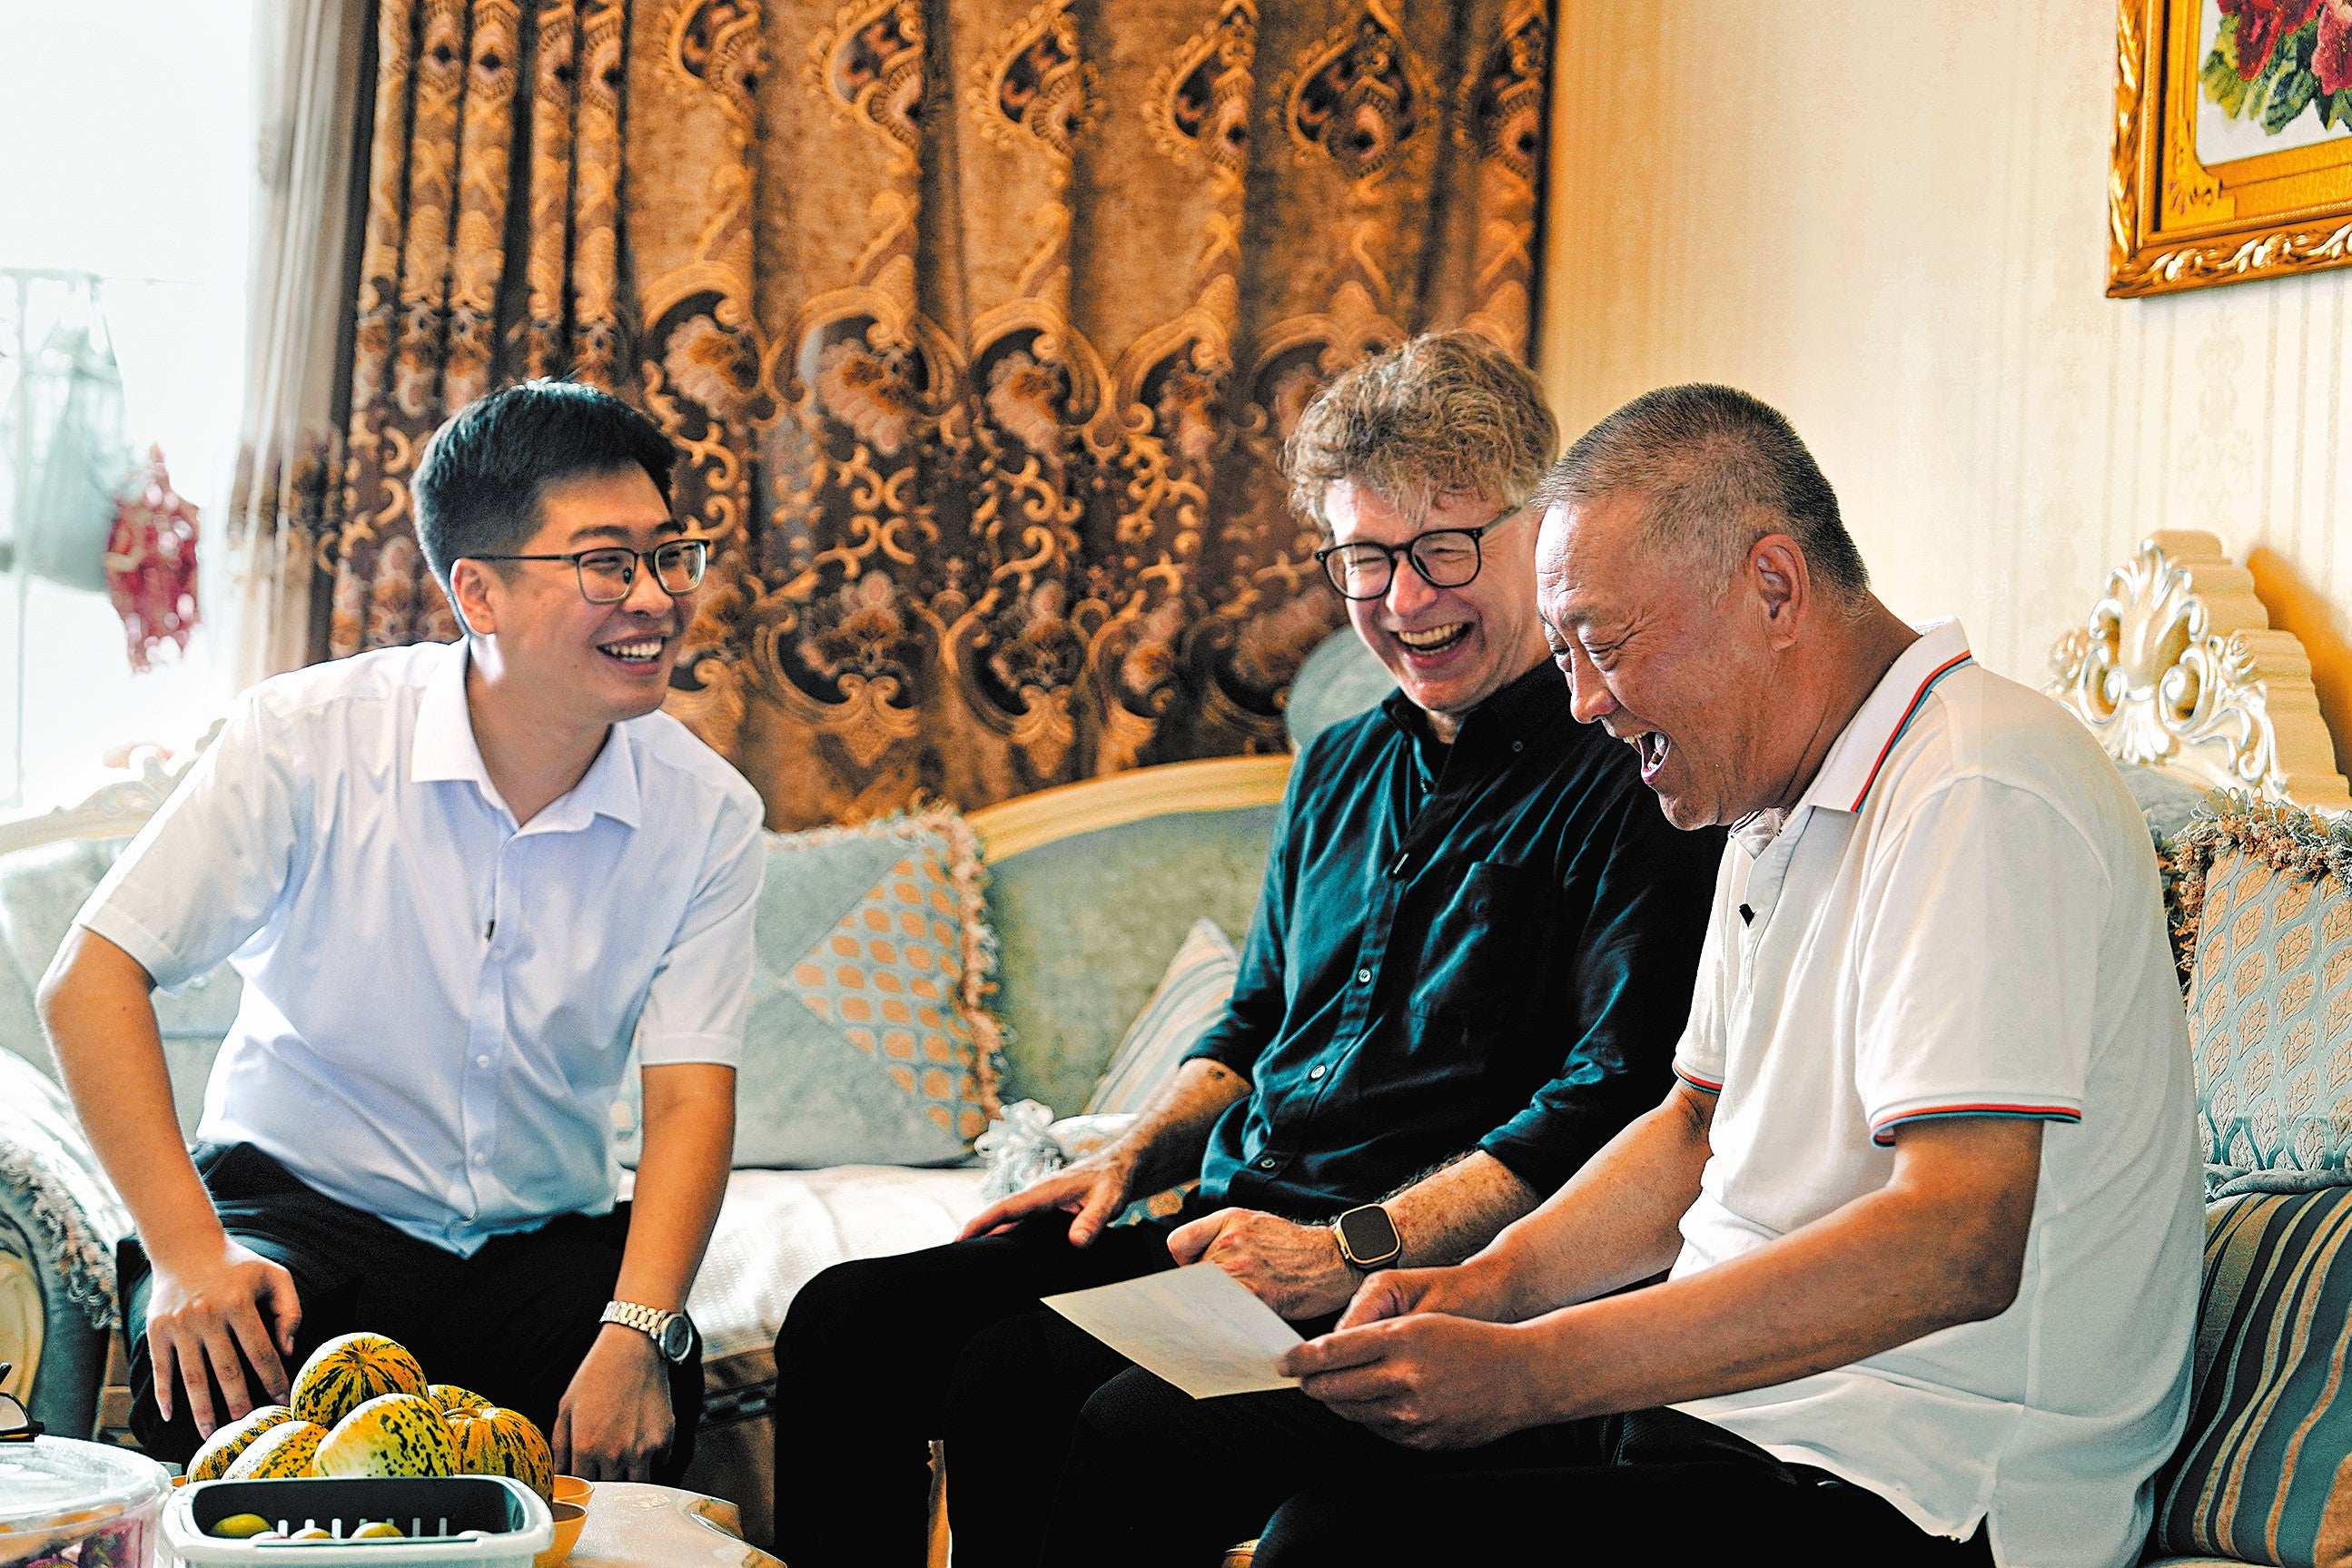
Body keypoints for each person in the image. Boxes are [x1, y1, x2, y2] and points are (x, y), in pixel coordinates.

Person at [1036, 384, 2204, 1568]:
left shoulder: (1975, 785)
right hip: (1730, 1413)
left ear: (1772, 587)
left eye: (1604, 643)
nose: (1584, 701)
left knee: (1330, 1544)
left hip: (1920, 1475)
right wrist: (1482, 1286)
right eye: (1567, 652)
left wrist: (1533, 1367)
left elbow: (1955, 1238)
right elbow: (1692, 1124)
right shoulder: (1772, 793)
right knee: (1148, 1433)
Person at [771, 332, 1727, 1568]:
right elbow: (1257, 1015)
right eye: (1365, 558)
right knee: (846, 1320)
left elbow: (1606, 1103)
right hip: (1232, 1220)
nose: (1405, 599)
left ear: (1539, 528)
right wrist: (1130, 1151)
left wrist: (1345, 1247)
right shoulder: (1337, 763)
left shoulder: (1628, 774)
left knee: (1042, 1392)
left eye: (1445, 548)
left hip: (1406, 1258)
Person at [38, 381, 766, 1482]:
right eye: (607, 563)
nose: (656, 598)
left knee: (636, 1399)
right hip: (299, 1207)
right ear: (477, 590)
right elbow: (90, 979)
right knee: (221, 1376)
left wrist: (638, 1324)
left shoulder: (707, 814)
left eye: (670, 556)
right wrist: (188, 1254)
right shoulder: (306, 736)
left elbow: (687, 1099)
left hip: (540, 1240)